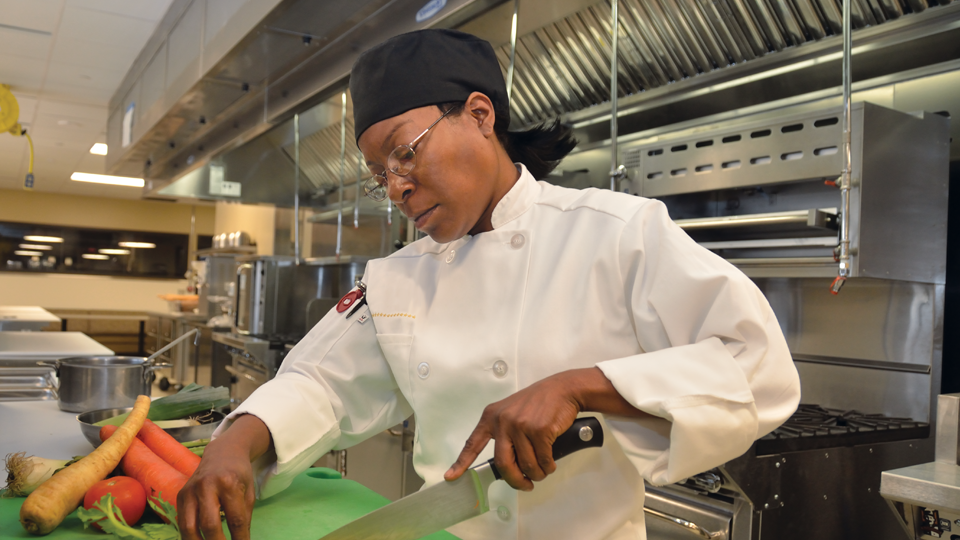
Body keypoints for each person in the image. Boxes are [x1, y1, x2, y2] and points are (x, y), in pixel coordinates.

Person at [177, 29, 801, 540]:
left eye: (405, 153)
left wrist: (581, 386)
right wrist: (237, 442)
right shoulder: (399, 276)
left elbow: (757, 366)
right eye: (378, 173)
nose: (396, 186)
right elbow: (320, 382)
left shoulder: (617, 233)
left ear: (479, 116)